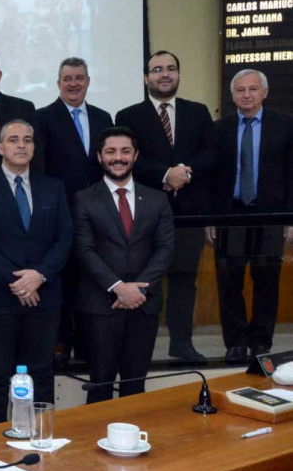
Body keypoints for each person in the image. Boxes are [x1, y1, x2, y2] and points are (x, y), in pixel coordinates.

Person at [115, 50, 218, 362]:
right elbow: (126, 158)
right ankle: (140, 347)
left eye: (170, 68)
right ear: (146, 77)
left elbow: (212, 153)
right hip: (146, 213)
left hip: (189, 213)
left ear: (178, 74)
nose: (164, 74)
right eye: (157, 69)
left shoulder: (198, 112)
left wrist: (184, 172)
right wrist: (164, 174)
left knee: (185, 279)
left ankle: (182, 344)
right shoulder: (128, 116)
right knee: (148, 279)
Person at [0, 120, 73, 425]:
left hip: (44, 297)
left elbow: (64, 237)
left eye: (27, 140)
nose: (21, 145)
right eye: (13, 140)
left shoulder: (53, 186)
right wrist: (17, 281)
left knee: (41, 372)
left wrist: (38, 276)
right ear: (0, 148)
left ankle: (41, 436)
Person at [74, 128, 174, 404]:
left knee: (135, 383)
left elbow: (165, 248)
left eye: (125, 151)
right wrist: (118, 287)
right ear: (99, 157)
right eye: (111, 151)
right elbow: (84, 249)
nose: (118, 158)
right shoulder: (83, 199)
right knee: (100, 383)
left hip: (144, 304)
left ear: (136, 155)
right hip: (100, 305)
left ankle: (131, 444)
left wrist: (138, 290)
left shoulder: (157, 199)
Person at [211, 69, 293, 363]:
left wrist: (289, 219)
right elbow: (212, 176)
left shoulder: (285, 126)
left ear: (265, 93)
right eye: (240, 90)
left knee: (267, 279)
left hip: (269, 213)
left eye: (253, 89)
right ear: (232, 96)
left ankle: (261, 341)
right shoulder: (220, 129)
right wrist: (211, 218)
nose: (247, 94)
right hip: (230, 213)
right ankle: (234, 342)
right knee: (229, 280)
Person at [37, 57, 114, 368]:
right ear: (58, 84)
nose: (73, 83)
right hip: (62, 213)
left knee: (94, 282)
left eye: (79, 78)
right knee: (64, 282)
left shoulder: (102, 117)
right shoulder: (42, 118)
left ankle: (88, 345)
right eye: (67, 78)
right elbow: (40, 169)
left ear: (88, 81)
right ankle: (62, 344)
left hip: (98, 214)